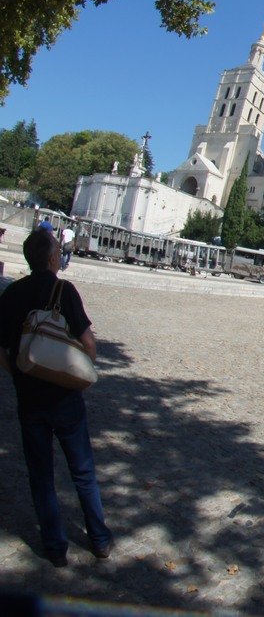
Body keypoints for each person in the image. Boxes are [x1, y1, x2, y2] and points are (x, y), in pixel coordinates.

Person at [0, 229, 112, 567]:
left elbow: (2, 350)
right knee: (82, 471)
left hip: (29, 397)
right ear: (53, 258)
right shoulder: (65, 291)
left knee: (41, 473)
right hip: (65, 396)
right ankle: (99, 539)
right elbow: (89, 344)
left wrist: (22, 375)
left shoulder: (13, 292)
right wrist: (81, 370)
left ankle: (54, 546)